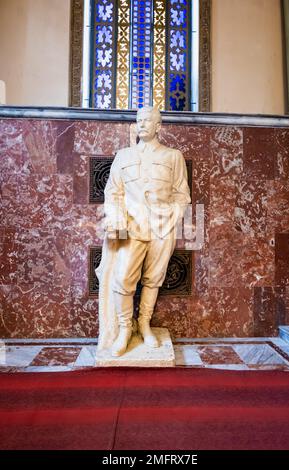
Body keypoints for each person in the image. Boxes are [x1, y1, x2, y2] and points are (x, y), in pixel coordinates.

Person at [96, 106, 191, 357]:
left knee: (153, 279)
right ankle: (125, 329)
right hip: (132, 226)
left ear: (159, 126)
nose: (142, 124)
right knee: (123, 279)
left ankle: (144, 323)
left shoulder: (173, 157)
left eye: (148, 120)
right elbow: (112, 191)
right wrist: (117, 220)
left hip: (163, 226)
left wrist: (173, 215)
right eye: (139, 120)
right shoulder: (124, 156)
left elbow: (183, 195)